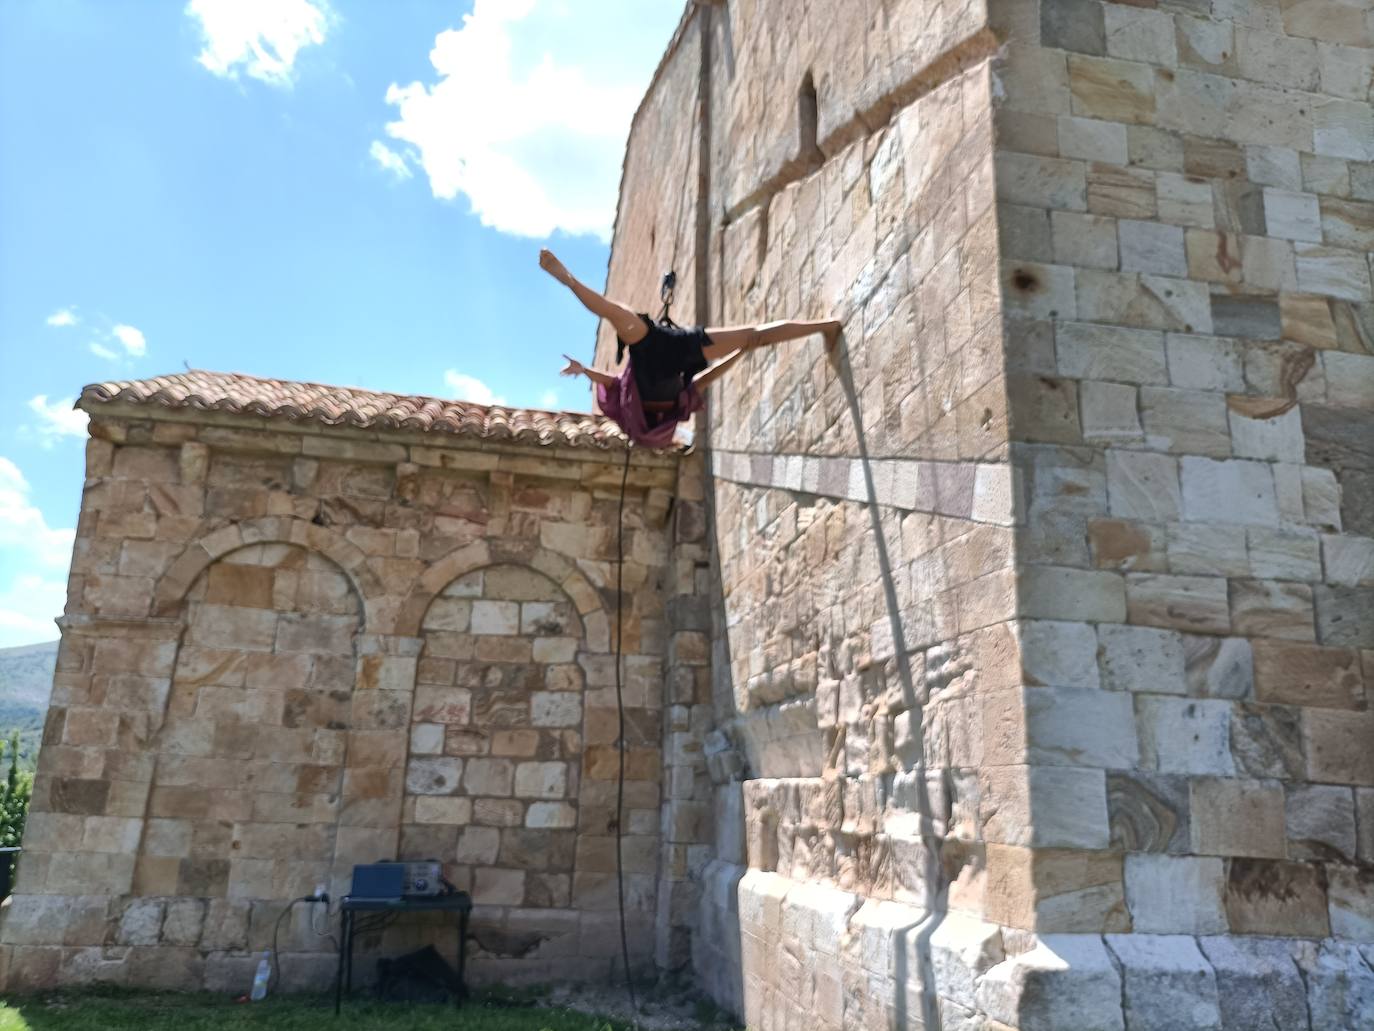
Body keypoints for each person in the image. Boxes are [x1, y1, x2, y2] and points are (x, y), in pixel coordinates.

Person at [539, 248, 840, 448]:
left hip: (656, 349)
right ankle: (825, 326)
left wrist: (584, 370)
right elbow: (705, 379)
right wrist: (740, 351)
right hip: (668, 349)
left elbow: (610, 381)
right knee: (755, 335)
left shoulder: (660, 400)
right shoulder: (673, 400)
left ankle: (567, 278)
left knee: (755, 335)